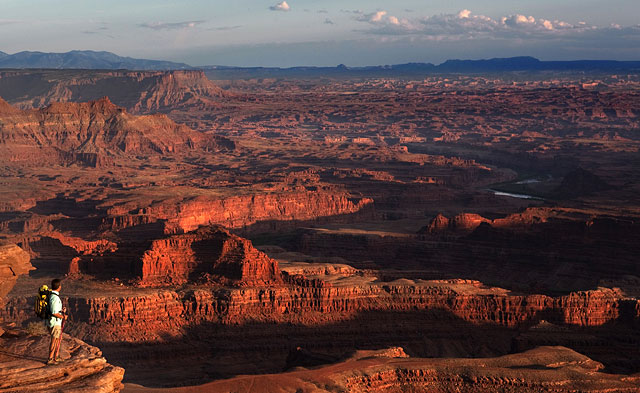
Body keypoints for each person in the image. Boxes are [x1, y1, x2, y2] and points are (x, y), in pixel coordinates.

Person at [46, 278, 67, 365]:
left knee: (57, 339)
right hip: (55, 323)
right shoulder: (54, 298)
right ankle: (50, 359)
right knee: (54, 340)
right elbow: (54, 312)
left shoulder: (52, 296)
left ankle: (56, 357)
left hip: (53, 322)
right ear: (59, 287)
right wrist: (63, 316)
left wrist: (61, 310)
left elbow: (54, 310)